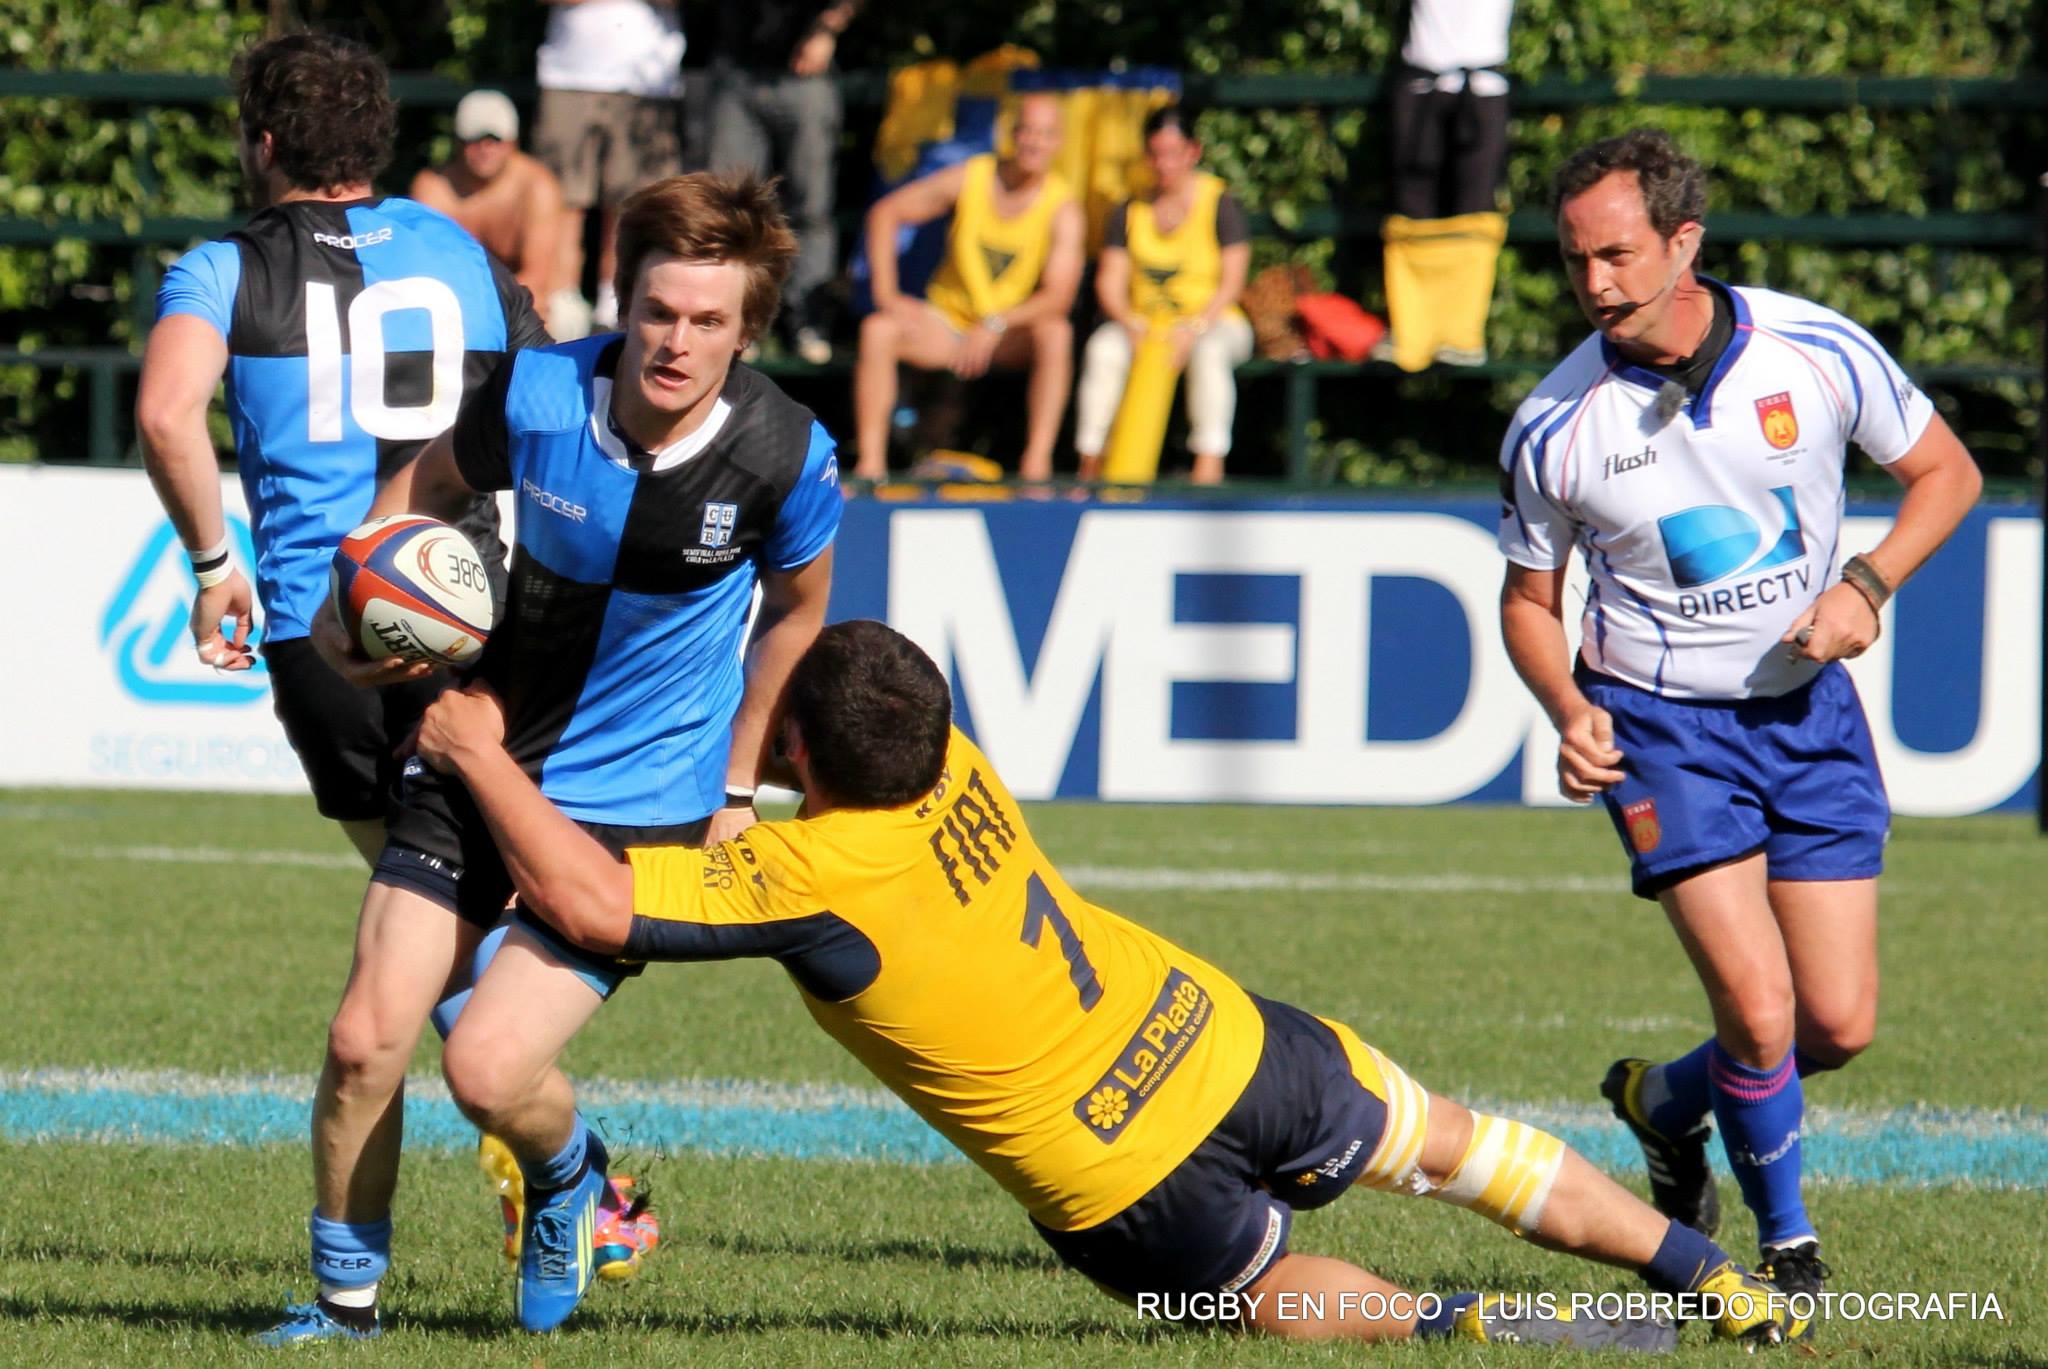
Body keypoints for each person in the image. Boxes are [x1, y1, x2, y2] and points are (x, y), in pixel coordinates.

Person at [414, 618, 1809, 1349]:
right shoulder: (949, 759)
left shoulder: (808, 877)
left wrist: (480, 752)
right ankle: (1709, 1276)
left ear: (809, 764)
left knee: (1258, 1295)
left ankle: (1460, 1324)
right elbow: (811, 791)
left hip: (1121, 1179)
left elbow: (594, 898)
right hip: (1211, 1029)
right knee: (1457, 1144)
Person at [277, 170, 843, 1342]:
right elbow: (426, 485)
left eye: (706, 322)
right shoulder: (537, 390)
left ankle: (567, 1175)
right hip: (480, 743)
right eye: (656, 310)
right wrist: (369, 583)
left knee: (482, 1073)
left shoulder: (785, 453)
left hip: (635, 809)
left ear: (745, 331)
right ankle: (343, 1308)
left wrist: (740, 788)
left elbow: (796, 616)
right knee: (361, 1038)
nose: (673, 342)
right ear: (622, 299)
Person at [1496, 130, 1982, 1305]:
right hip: (1658, 729)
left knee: (1835, 1024)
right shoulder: (1553, 425)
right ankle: (1786, 1253)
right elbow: (1525, 604)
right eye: (1574, 263)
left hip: (1805, 715)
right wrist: (1567, 708)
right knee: (1758, 1014)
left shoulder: (1811, 348)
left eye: (1615, 255)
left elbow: (1947, 474)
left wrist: (1865, 586)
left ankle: (1665, 1101)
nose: (1594, 283)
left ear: (1682, 242)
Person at [853, 93, 1083, 482]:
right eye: (1026, 131)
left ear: (1058, 142)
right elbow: (886, 213)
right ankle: (871, 464)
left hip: (1008, 334)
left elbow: (1058, 298)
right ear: (1013, 134)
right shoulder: (973, 176)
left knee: (1056, 334)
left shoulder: (1063, 207)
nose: (1033, 142)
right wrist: (888, 294)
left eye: (1044, 134)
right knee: (878, 330)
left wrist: (995, 324)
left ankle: (1036, 464)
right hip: (948, 323)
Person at [1073, 105, 1254, 486]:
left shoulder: (1220, 203)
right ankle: (1090, 464)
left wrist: (1195, 327)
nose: (1163, 164)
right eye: (1155, 154)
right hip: (1145, 324)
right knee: (1103, 351)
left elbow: (1232, 283)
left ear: (1193, 152)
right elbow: (1110, 281)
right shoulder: (1128, 210)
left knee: (1209, 353)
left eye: (1173, 154)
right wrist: (1129, 323)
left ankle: (1208, 466)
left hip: (1214, 320)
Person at [705, 0, 863, 363]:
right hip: (736, 69)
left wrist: (827, 27)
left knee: (811, 205)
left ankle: (807, 318)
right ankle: (729, 315)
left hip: (806, 74)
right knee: (729, 206)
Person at [533, 0, 686, 331]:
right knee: (561, 199)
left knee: (634, 205)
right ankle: (560, 310)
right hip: (568, 77)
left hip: (646, 86)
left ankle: (617, 306)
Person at [410, 90, 566, 332]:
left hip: (525, 304)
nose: (485, 149)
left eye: (494, 140)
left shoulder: (536, 186)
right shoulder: (433, 188)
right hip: (456, 304)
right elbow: (427, 272)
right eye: (474, 140)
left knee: (554, 311)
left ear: (513, 142)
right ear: (458, 142)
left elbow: (537, 277)